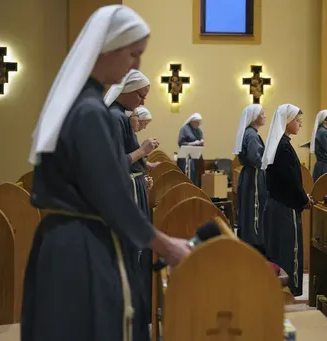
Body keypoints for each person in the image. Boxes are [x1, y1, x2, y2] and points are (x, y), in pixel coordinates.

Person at [23, 6, 192, 341]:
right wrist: (167, 245)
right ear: (108, 47)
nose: (137, 65)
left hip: (65, 240)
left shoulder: (81, 102)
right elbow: (111, 195)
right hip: (83, 246)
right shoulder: (90, 111)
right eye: (133, 53)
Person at [104, 70, 158, 333]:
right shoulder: (115, 118)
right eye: (141, 95)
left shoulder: (120, 117)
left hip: (132, 189)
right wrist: (143, 151)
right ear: (125, 90)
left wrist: (141, 171)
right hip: (126, 195)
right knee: (132, 257)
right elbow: (115, 164)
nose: (143, 102)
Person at [261, 104, 313, 296]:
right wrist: (304, 199)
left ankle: (278, 292)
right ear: (286, 121)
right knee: (288, 250)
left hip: (277, 204)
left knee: (277, 248)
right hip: (286, 207)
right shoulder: (283, 147)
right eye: (297, 120)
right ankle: (288, 292)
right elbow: (291, 182)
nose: (300, 123)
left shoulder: (279, 144)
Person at [233, 104, 267, 248]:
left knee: (248, 209)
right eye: (262, 113)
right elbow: (255, 159)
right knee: (255, 208)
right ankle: (256, 242)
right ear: (254, 117)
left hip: (249, 175)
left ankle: (249, 240)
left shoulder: (247, 133)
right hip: (254, 176)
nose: (265, 116)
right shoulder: (252, 135)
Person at [177, 113, 204, 185]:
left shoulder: (198, 130)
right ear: (192, 121)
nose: (198, 124)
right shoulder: (184, 129)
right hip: (185, 157)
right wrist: (193, 143)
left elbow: (200, 141)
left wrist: (201, 142)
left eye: (199, 123)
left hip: (195, 157)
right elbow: (181, 143)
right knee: (187, 174)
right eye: (197, 122)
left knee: (195, 175)